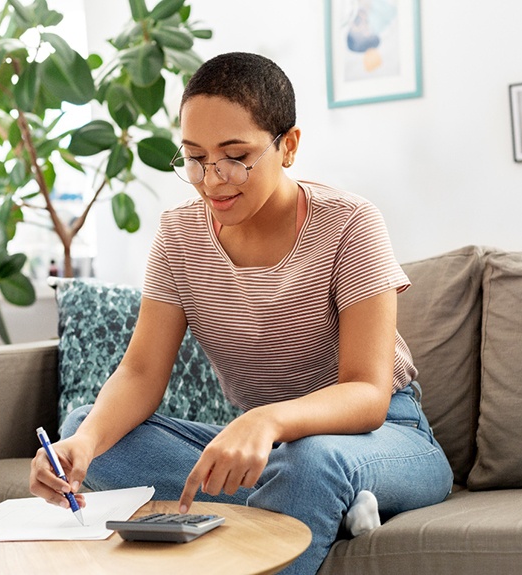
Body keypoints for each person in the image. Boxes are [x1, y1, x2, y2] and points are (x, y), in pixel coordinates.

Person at [30, 52, 453, 573]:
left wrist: (267, 419)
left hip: (383, 436)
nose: (212, 180)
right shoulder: (179, 235)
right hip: (271, 451)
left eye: (235, 156)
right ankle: (316, 505)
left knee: (311, 462)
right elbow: (140, 372)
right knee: (87, 429)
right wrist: (83, 445)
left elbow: (367, 394)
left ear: (288, 146)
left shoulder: (350, 223)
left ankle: (314, 492)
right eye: (194, 158)